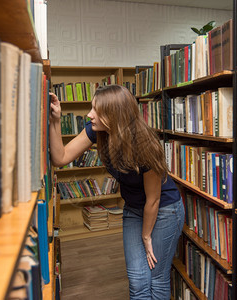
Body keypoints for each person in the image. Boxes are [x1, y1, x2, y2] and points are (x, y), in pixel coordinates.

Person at [49, 84, 184, 300]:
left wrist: (146, 235)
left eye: (96, 110)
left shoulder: (145, 145)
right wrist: (56, 120)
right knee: (138, 280)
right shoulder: (96, 131)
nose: (89, 115)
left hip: (164, 210)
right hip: (133, 209)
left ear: (114, 115)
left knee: (156, 278)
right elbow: (61, 158)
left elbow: (154, 199)